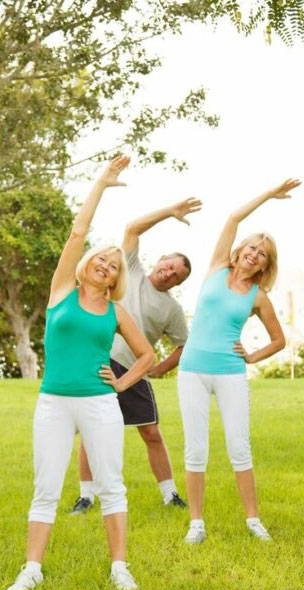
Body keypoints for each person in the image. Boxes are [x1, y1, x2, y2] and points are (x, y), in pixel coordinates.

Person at [6, 156, 154, 590]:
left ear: (114, 281)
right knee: (46, 486)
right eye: (101, 258)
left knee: (111, 484)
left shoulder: (116, 311)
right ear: (86, 264)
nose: (106, 263)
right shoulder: (61, 292)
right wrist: (102, 184)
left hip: (99, 403)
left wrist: (123, 383)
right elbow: (77, 231)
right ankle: (32, 569)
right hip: (53, 402)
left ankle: (119, 568)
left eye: (114, 265)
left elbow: (146, 356)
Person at [177, 179, 299, 544]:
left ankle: (253, 519)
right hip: (193, 370)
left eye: (262, 253)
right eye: (251, 247)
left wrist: (252, 356)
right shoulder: (216, 268)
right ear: (240, 249)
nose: (254, 254)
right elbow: (232, 217)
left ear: (265, 264)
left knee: (238, 445)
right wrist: (269, 195)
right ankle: (196, 523)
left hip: (230, 372)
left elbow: (279, 339)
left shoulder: (259, 297)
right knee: (196, 447)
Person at [70, 197, 202, 514]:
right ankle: (86, 496)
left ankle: (170, 495)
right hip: (101, 363)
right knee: (91, 430)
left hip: (134, 371)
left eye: (177, 276)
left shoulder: (171, 309)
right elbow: (132, 228)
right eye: (169, 266)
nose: (169, 274)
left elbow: (183, 345)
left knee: (151, 432)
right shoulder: (131, 271)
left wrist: (158, 370)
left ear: (179, 283)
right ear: (159, 261)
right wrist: (169, 211)